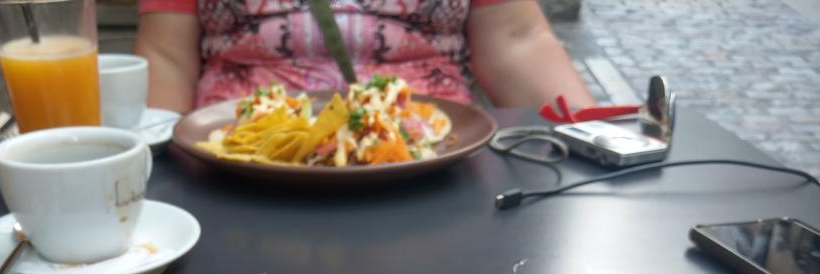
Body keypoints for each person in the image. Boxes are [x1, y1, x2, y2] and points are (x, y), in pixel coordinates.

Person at [134, 0, 595, 112]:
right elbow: (166, 54)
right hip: (234, 156)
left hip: (433, 153)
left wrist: (596, 137)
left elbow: (517, 40)